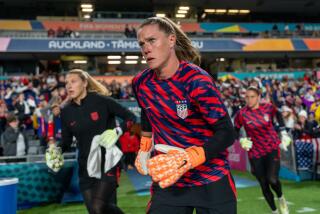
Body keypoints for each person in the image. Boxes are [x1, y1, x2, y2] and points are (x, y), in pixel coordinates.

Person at [132, 17, 237, 214]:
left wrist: (190, 157)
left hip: (212, 180)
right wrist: (144, 147)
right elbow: (148, 113)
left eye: (152, 40)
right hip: (171, 182)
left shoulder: (197, 81)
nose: (146, 48)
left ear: (171, 40)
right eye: (142, 43)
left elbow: (227, 132)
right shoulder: (140, 83)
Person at [52, 69, 136, 214]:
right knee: (95, 211)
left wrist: (118, 131)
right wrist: (56, 151)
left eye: (73, 81)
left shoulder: (102, 101)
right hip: (86, 167)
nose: (69, 86)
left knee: (98, 208)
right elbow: (66, 141)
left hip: (108, 162)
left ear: (84, 83)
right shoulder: (65, 112)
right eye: (66, 83)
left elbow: (131, 117)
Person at [234, 86, 290, 214]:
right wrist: (242, 140)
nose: (249, 100)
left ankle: (281, 198)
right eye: (247, 97)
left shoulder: (268, 108)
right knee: (264, 184)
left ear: (258, 97)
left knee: (272, 179)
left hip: (271, 148)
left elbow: (279, 115)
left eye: (252, 97)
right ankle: (274, 211)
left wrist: (283, 132)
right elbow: (235, 131)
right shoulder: (242, 114)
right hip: (255, 153)